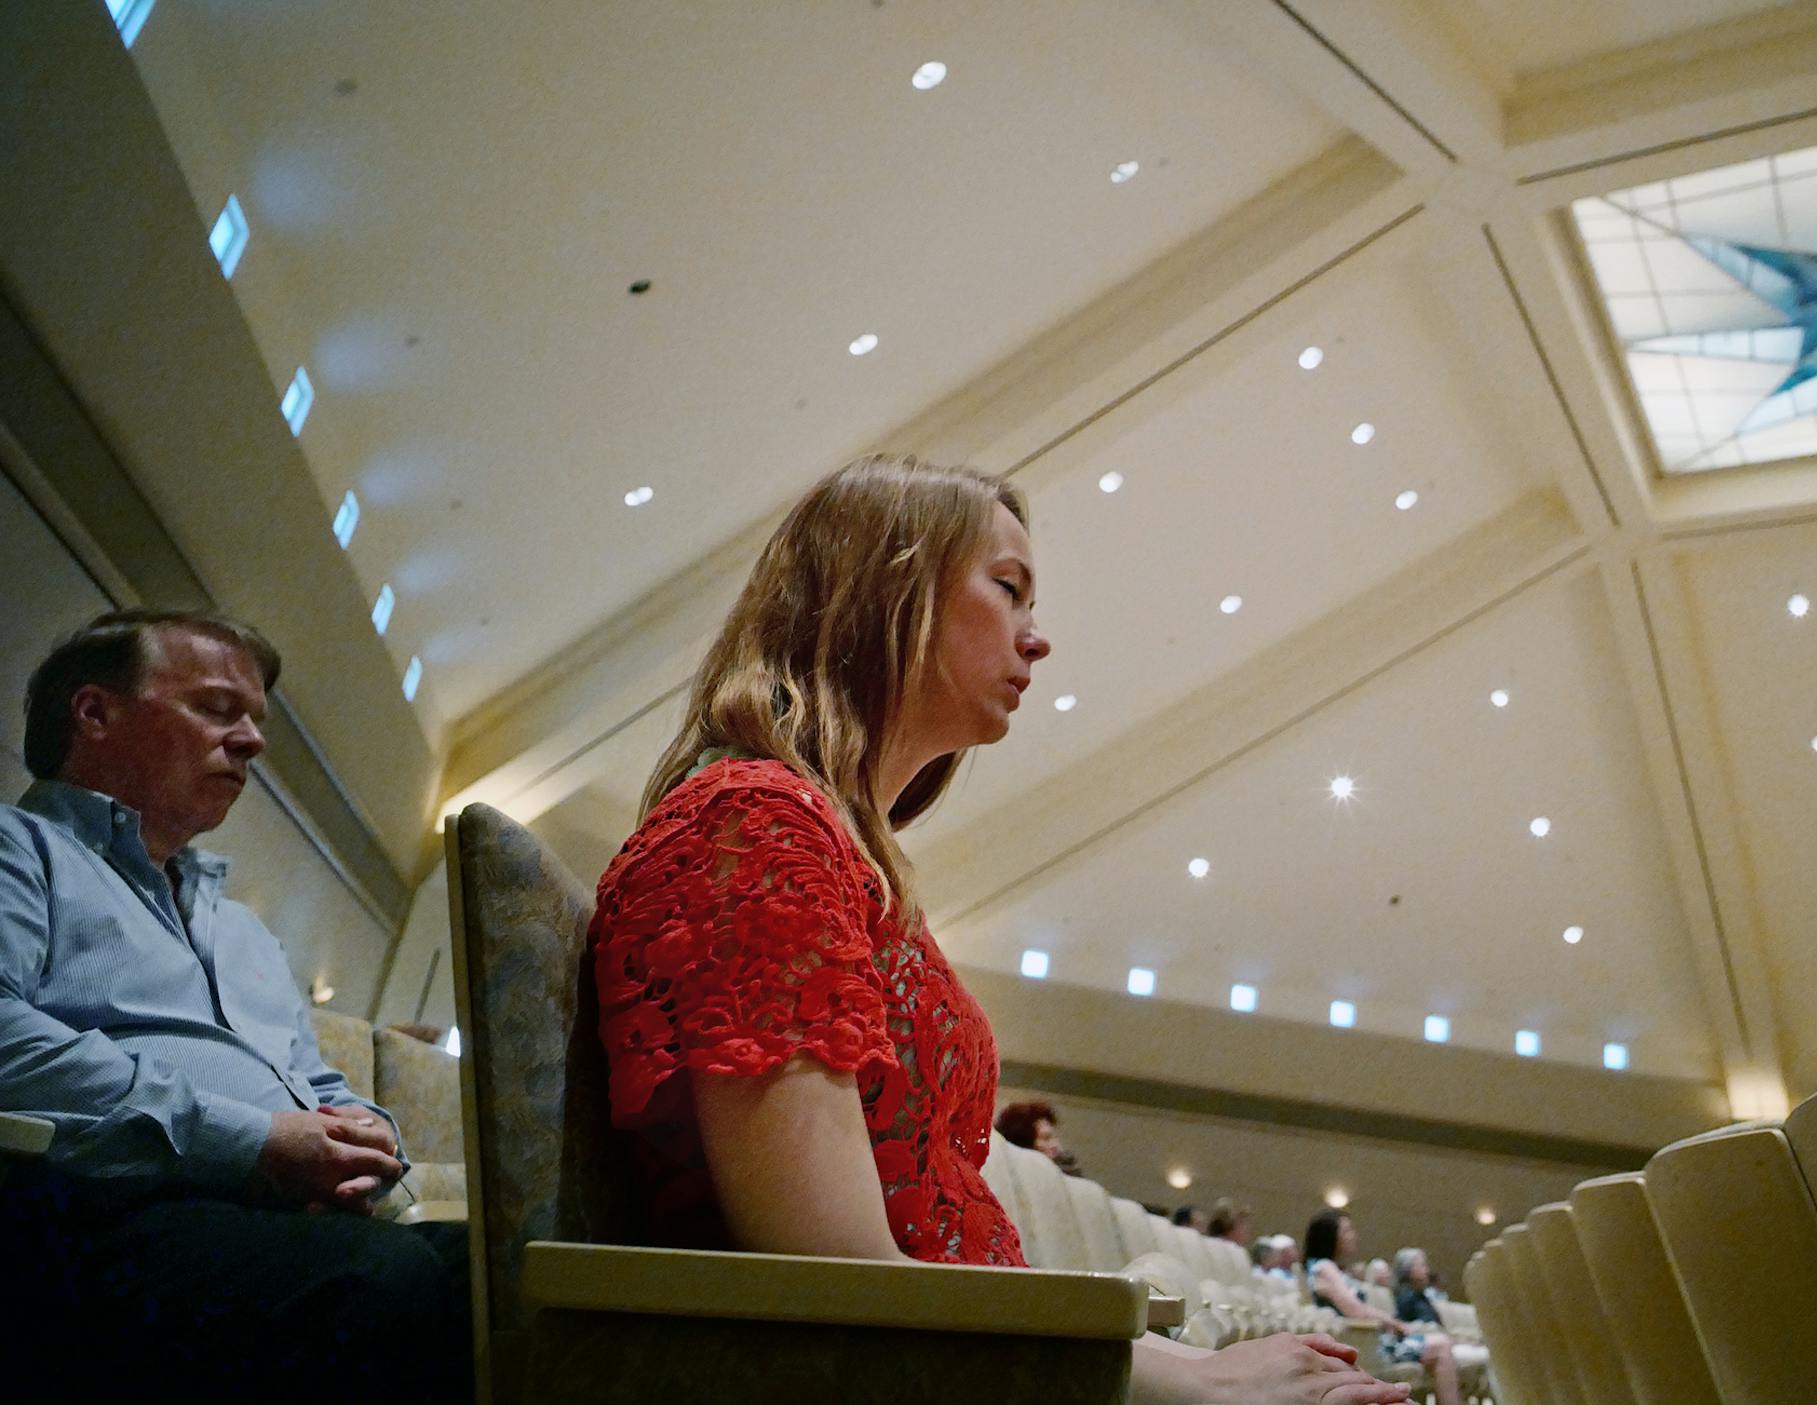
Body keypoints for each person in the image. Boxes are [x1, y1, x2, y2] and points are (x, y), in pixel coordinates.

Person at [589, 456, 1406, 1404]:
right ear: (887, 586)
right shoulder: (754, 827)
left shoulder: (829, 846)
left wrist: (1189, 1364)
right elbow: (836, 1281)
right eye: (1007, 588)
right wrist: (1187, 1388)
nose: (1038, 637)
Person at [0, 609, 469, 1401]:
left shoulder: (241, 926)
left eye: (255, 719)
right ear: (94, 712)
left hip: (268, 1218)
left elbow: (311, 1078)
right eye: (218, 709)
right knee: (386, 1282)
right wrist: (248, 1139)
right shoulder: (21, 848)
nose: (251, 740)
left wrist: (368, 1133)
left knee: (498, 1275)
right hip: (97, 1207)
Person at [1305, 1211, 1462, 1405]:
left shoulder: (1330, 1268)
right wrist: (1396, 1324)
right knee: (1441, 1347)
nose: (1354, 1235)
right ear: (1330, 1235)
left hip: (1366, 1340)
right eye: (1347, 1230)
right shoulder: (1324, 1267)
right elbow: (1356, 1311)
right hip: (1362, 1345)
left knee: (1442, 1343)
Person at [996, 1096, 1079, 1173]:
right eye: (1046, 1138)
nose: (1056, 1145)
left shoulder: (1066, 1171)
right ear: (1025, 1144)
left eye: (1054, 1137)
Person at [1393, 1247, 1444, 1325]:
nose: (1427, 1271)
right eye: (1423, 1265)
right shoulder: (1407, 1297)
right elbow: (1426, 1323)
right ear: (1409, 1270)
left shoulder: (1418, 1294)